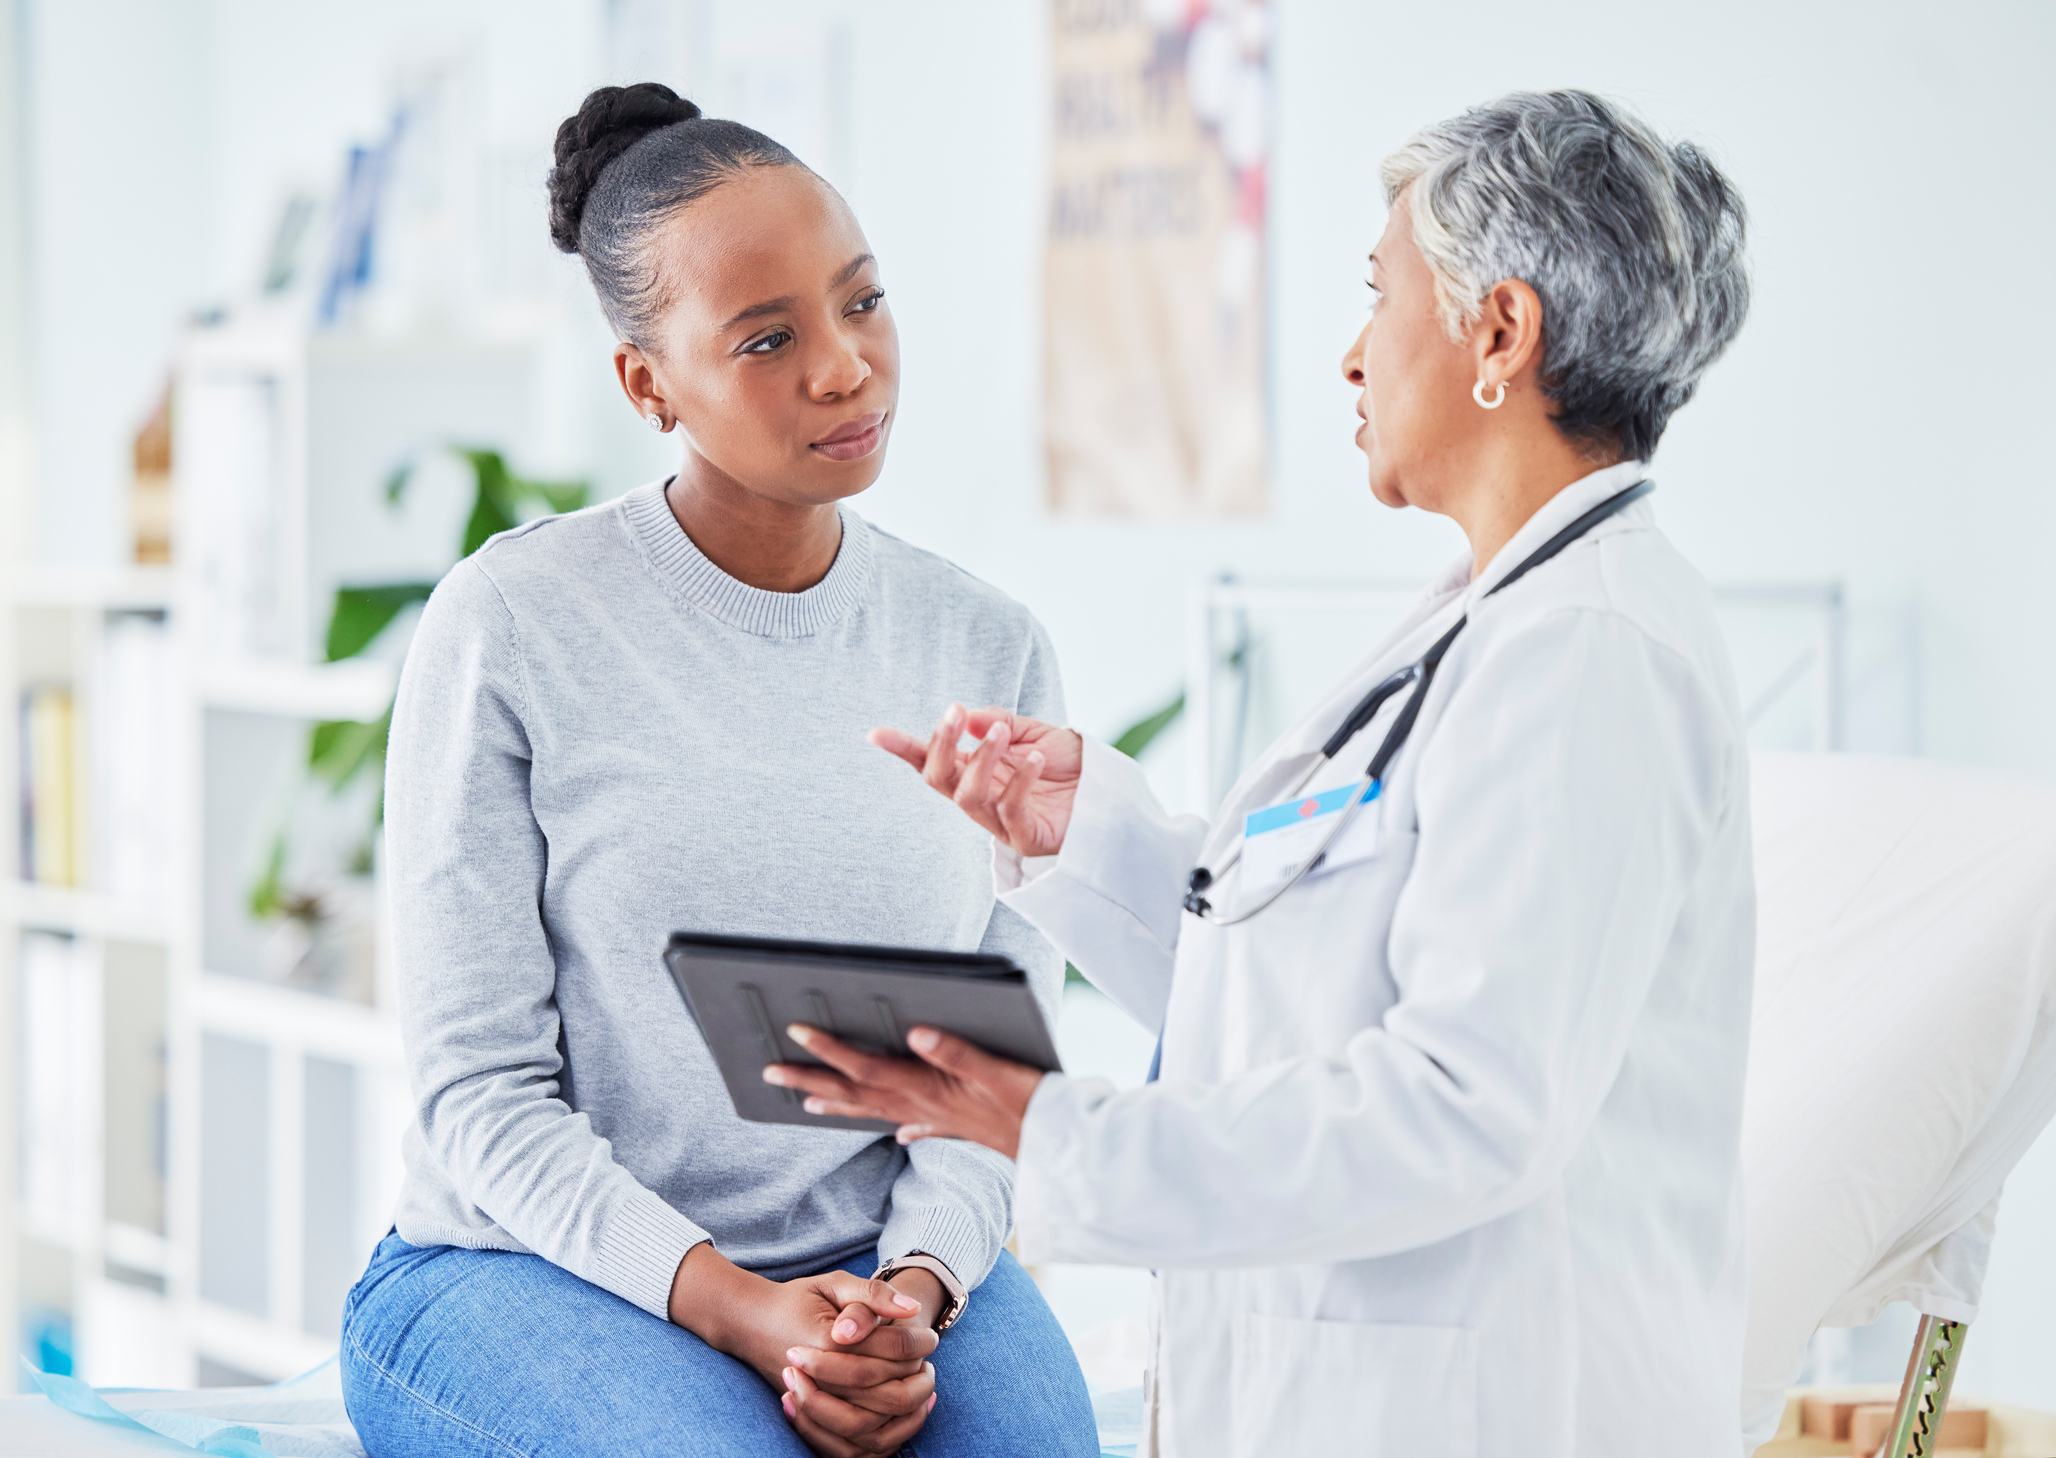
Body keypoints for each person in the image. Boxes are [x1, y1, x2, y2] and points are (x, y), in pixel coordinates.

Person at [768, 91, 1756, 1456]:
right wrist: (1087, 840)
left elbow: (1469, 1107)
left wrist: (1057, 1130)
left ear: (1500, 333)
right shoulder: (1491, 625)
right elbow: (1305, 994)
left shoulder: (1587, 652)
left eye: (1380, 294)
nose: (1354, 354)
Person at [338, 83, 1099, 1458]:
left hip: (883, 1261)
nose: (844, 366)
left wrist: (913, 1289)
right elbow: (479, 1093)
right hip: (527, 1268)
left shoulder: (989, 644)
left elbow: (991, 1069)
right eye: (768, 337)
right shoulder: (515, 623)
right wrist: (742, 1306)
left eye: (862, 302)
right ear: (648, 382)